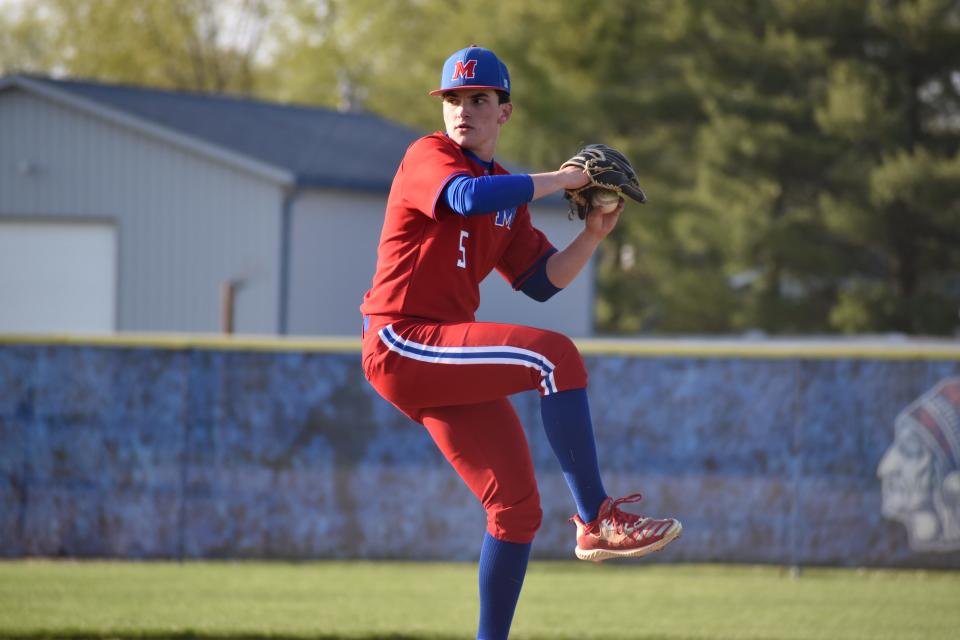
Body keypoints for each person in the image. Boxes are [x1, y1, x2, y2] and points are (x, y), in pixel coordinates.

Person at [360, 45, 682, 639]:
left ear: (503, 112)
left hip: (441, 351)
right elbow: (461, 198)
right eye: (454, 99)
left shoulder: (506, 190)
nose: (464, 110)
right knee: (554, 356)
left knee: (515, 510)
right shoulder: (427, 156)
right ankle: (597, 517)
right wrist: (561, 180)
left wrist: (591, 235)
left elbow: (539, 283)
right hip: (402, 340)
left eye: (479, 99)